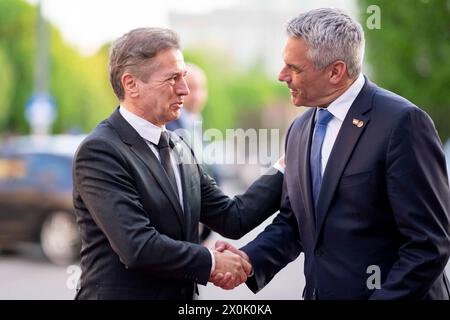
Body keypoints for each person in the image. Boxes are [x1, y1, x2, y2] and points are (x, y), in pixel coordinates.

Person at [213, 8, 450, 299]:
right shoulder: (299, 130)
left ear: (335, 71)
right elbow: (294, 223)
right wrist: (249, 260)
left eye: (294, 68)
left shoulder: (402, 123)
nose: (281, 75)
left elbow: (428, 244)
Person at [72, 27, 284, 300]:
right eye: (172, 79)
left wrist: (286, 167)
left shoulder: (180, 145)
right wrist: (212, 262)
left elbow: (232, 217)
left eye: (183, 76)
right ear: (131, 84)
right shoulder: (100, 151)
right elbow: (137, 246)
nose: (184, 90)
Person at [166, 63, 215, 244]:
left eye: (202, 88)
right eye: (191, 87)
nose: (197, 95)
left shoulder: (198, 126)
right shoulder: (168, 129)